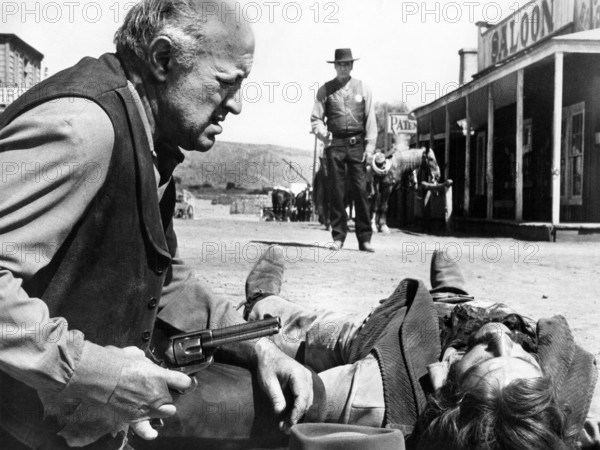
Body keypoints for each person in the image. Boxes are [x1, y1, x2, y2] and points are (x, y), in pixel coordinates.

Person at [0, 2, 315, 448]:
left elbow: (163, 278)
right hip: (23, 425)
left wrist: (255, 345)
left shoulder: (148, 138)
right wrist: (100, 374)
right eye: (227, 83)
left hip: (70, 416)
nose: (238, 106)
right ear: (163, 59)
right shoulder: (84, 128)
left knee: (281, 394)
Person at [238, 246, 600, 450]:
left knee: (305, 328)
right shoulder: (559, 404)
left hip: (403, 328)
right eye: (524, 359)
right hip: (482, 312)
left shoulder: (373, 393)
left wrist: (263, 340)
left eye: (487, 359)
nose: (502, 338)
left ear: (448, 382)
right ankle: (454, 293)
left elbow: (298, 398)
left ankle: (263, 298)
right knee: (471, 308)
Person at [311, 48, 378, 252]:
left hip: (357, 145)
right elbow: (315, 119)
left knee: (361, 190)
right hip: (335, 145)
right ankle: (338, 237)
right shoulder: (325, 90)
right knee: (336, 191)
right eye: (339, 64)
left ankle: (364, 238)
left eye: (346, 64)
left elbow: (370, 120)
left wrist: (370, 146)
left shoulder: (364, 88)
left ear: (352, 66)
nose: (343, 67)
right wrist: (324, 134)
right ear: (335, 66)